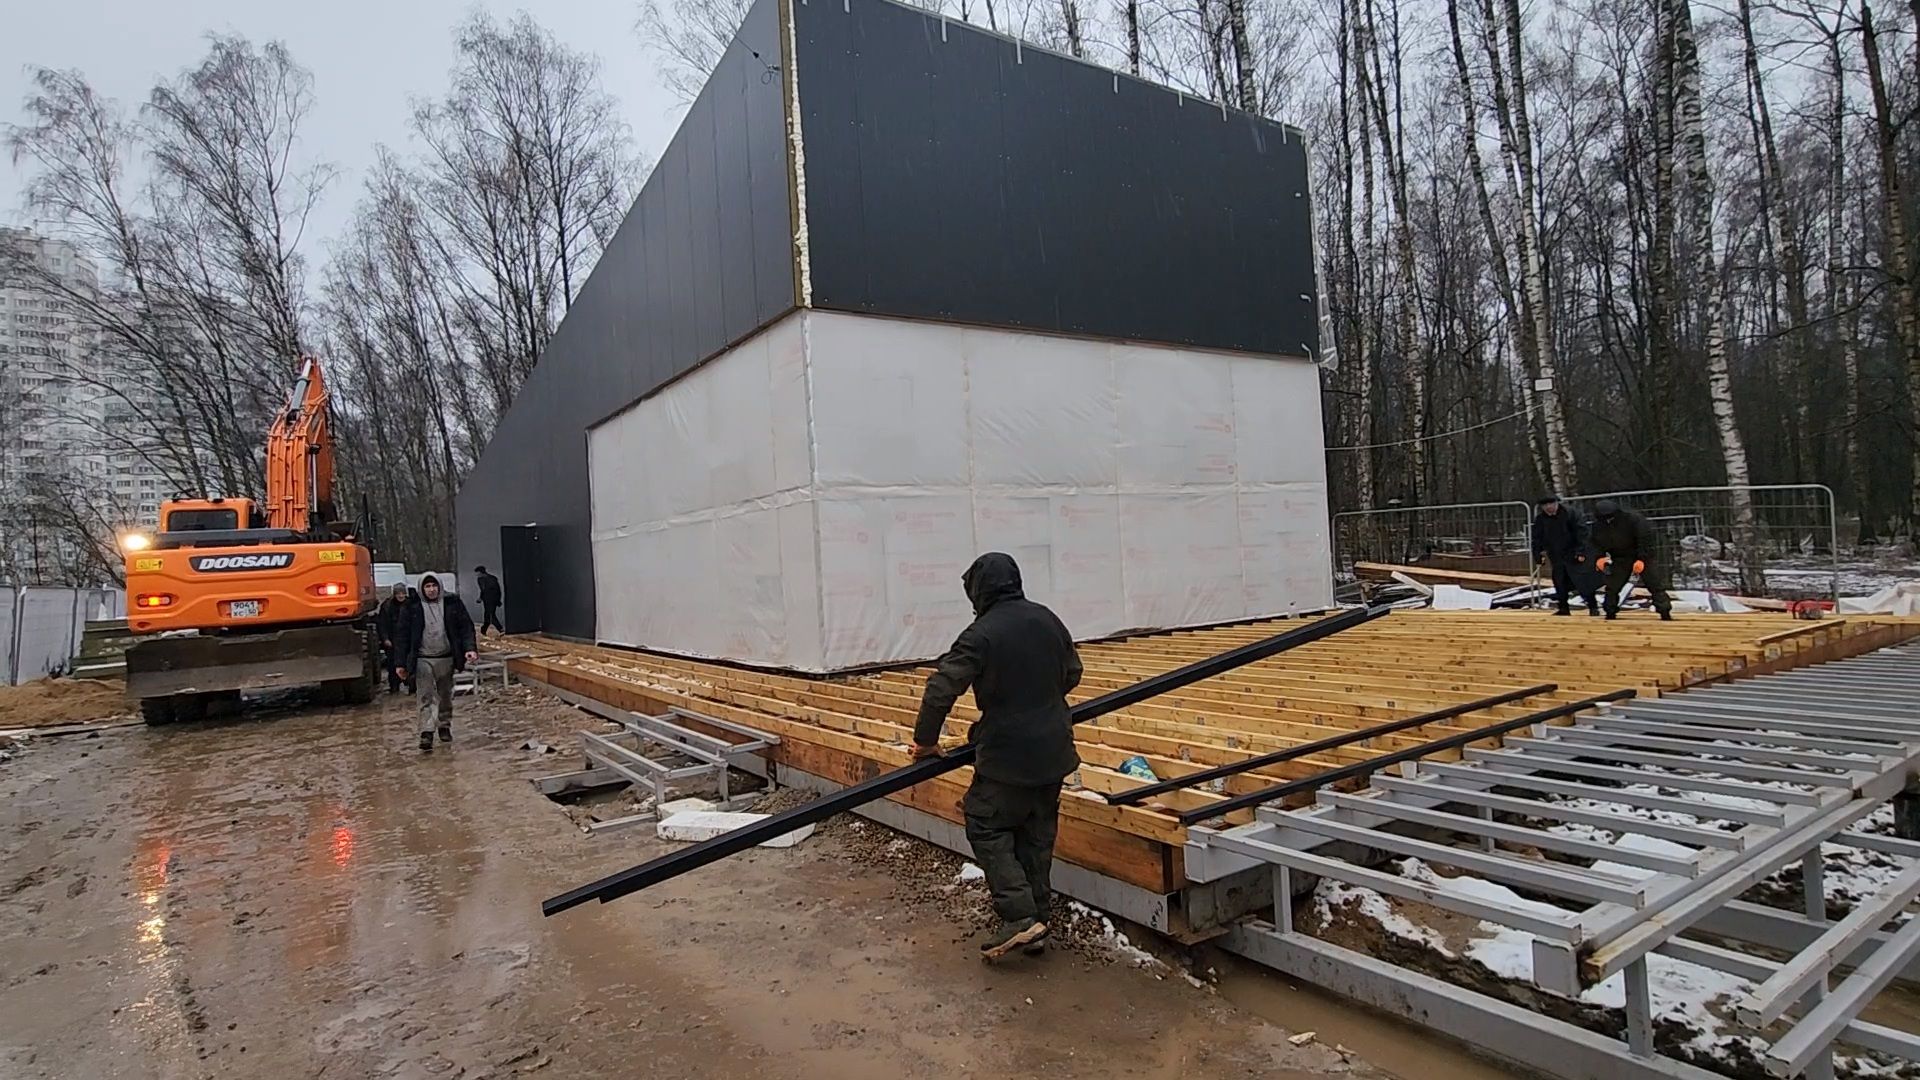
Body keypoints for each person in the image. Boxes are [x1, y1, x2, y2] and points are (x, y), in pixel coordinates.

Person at [911, 553, 1083, 961]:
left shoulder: (980, 634)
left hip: (1008, 755)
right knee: (1035, 836)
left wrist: (925, 742)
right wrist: (1039, 699)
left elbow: (940, 689)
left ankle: (1020, 917)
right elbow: (1073, 673)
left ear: (979, 590)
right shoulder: (1047, 619)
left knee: (985, 822)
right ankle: (1037, 922)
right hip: (1054, 751)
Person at [395, 574, 478, 752]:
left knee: (445, 695)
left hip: (446, 656)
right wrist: (400, 663)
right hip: (423, 658)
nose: (431, 590)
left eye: (434, 586)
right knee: (425, 695)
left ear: (440, 587)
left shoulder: (452, 604)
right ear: (421, 589)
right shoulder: (412, 607)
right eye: (427, 586)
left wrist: (469, 648)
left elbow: (465, 627)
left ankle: (444, 725)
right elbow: (402, 636)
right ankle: (426, 731)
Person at [1590, 499, 1674, 621]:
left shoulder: (1634, 520)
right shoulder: (1598, 526)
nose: (1608, 520)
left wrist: (1642, 558)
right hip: (1619, 557)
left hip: (1640, 555)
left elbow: (1645, 539)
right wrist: (1599, 557)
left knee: (1654, 583)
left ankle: (1664, 611)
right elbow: (1595, 543)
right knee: (1612, 586)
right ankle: (1610, 611)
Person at [1531, 495, 1599, 617]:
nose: (1548, 507)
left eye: (1551, 504)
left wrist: (1581, 551)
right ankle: (1563, 608)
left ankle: (1593, 606)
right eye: (1545, 505)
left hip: (1573, 552)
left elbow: (1582, 533)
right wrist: (1538, 554)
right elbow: (1537, 538)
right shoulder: (1541, 520)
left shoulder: (1570, 514)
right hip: (1555, 554)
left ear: (1557, 503)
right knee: (1559, 581)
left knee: (1582, 580)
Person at [375, 583, 414, 694]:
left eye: (403, 593)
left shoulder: (411, 605)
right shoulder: (387, 606)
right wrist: (385, 638)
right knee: (392, 665)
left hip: (408, 640)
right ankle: (394, 687)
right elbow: (382, 624)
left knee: (410, 664)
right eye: (398, 593)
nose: (401, 596)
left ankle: (411, 686)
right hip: (393, 640)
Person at [474, 565, 504, 636]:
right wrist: (481, 598)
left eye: (478, 573)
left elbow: (497, 591)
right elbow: (483, 590)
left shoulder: (492, 579)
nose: (477, 575)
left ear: (481, 572)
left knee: (491, 615)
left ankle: (500, 629)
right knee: (487, 615)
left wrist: (498, 600)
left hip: (492, 600)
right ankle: (484, 630)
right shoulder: (480, 580)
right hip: (486, 600)